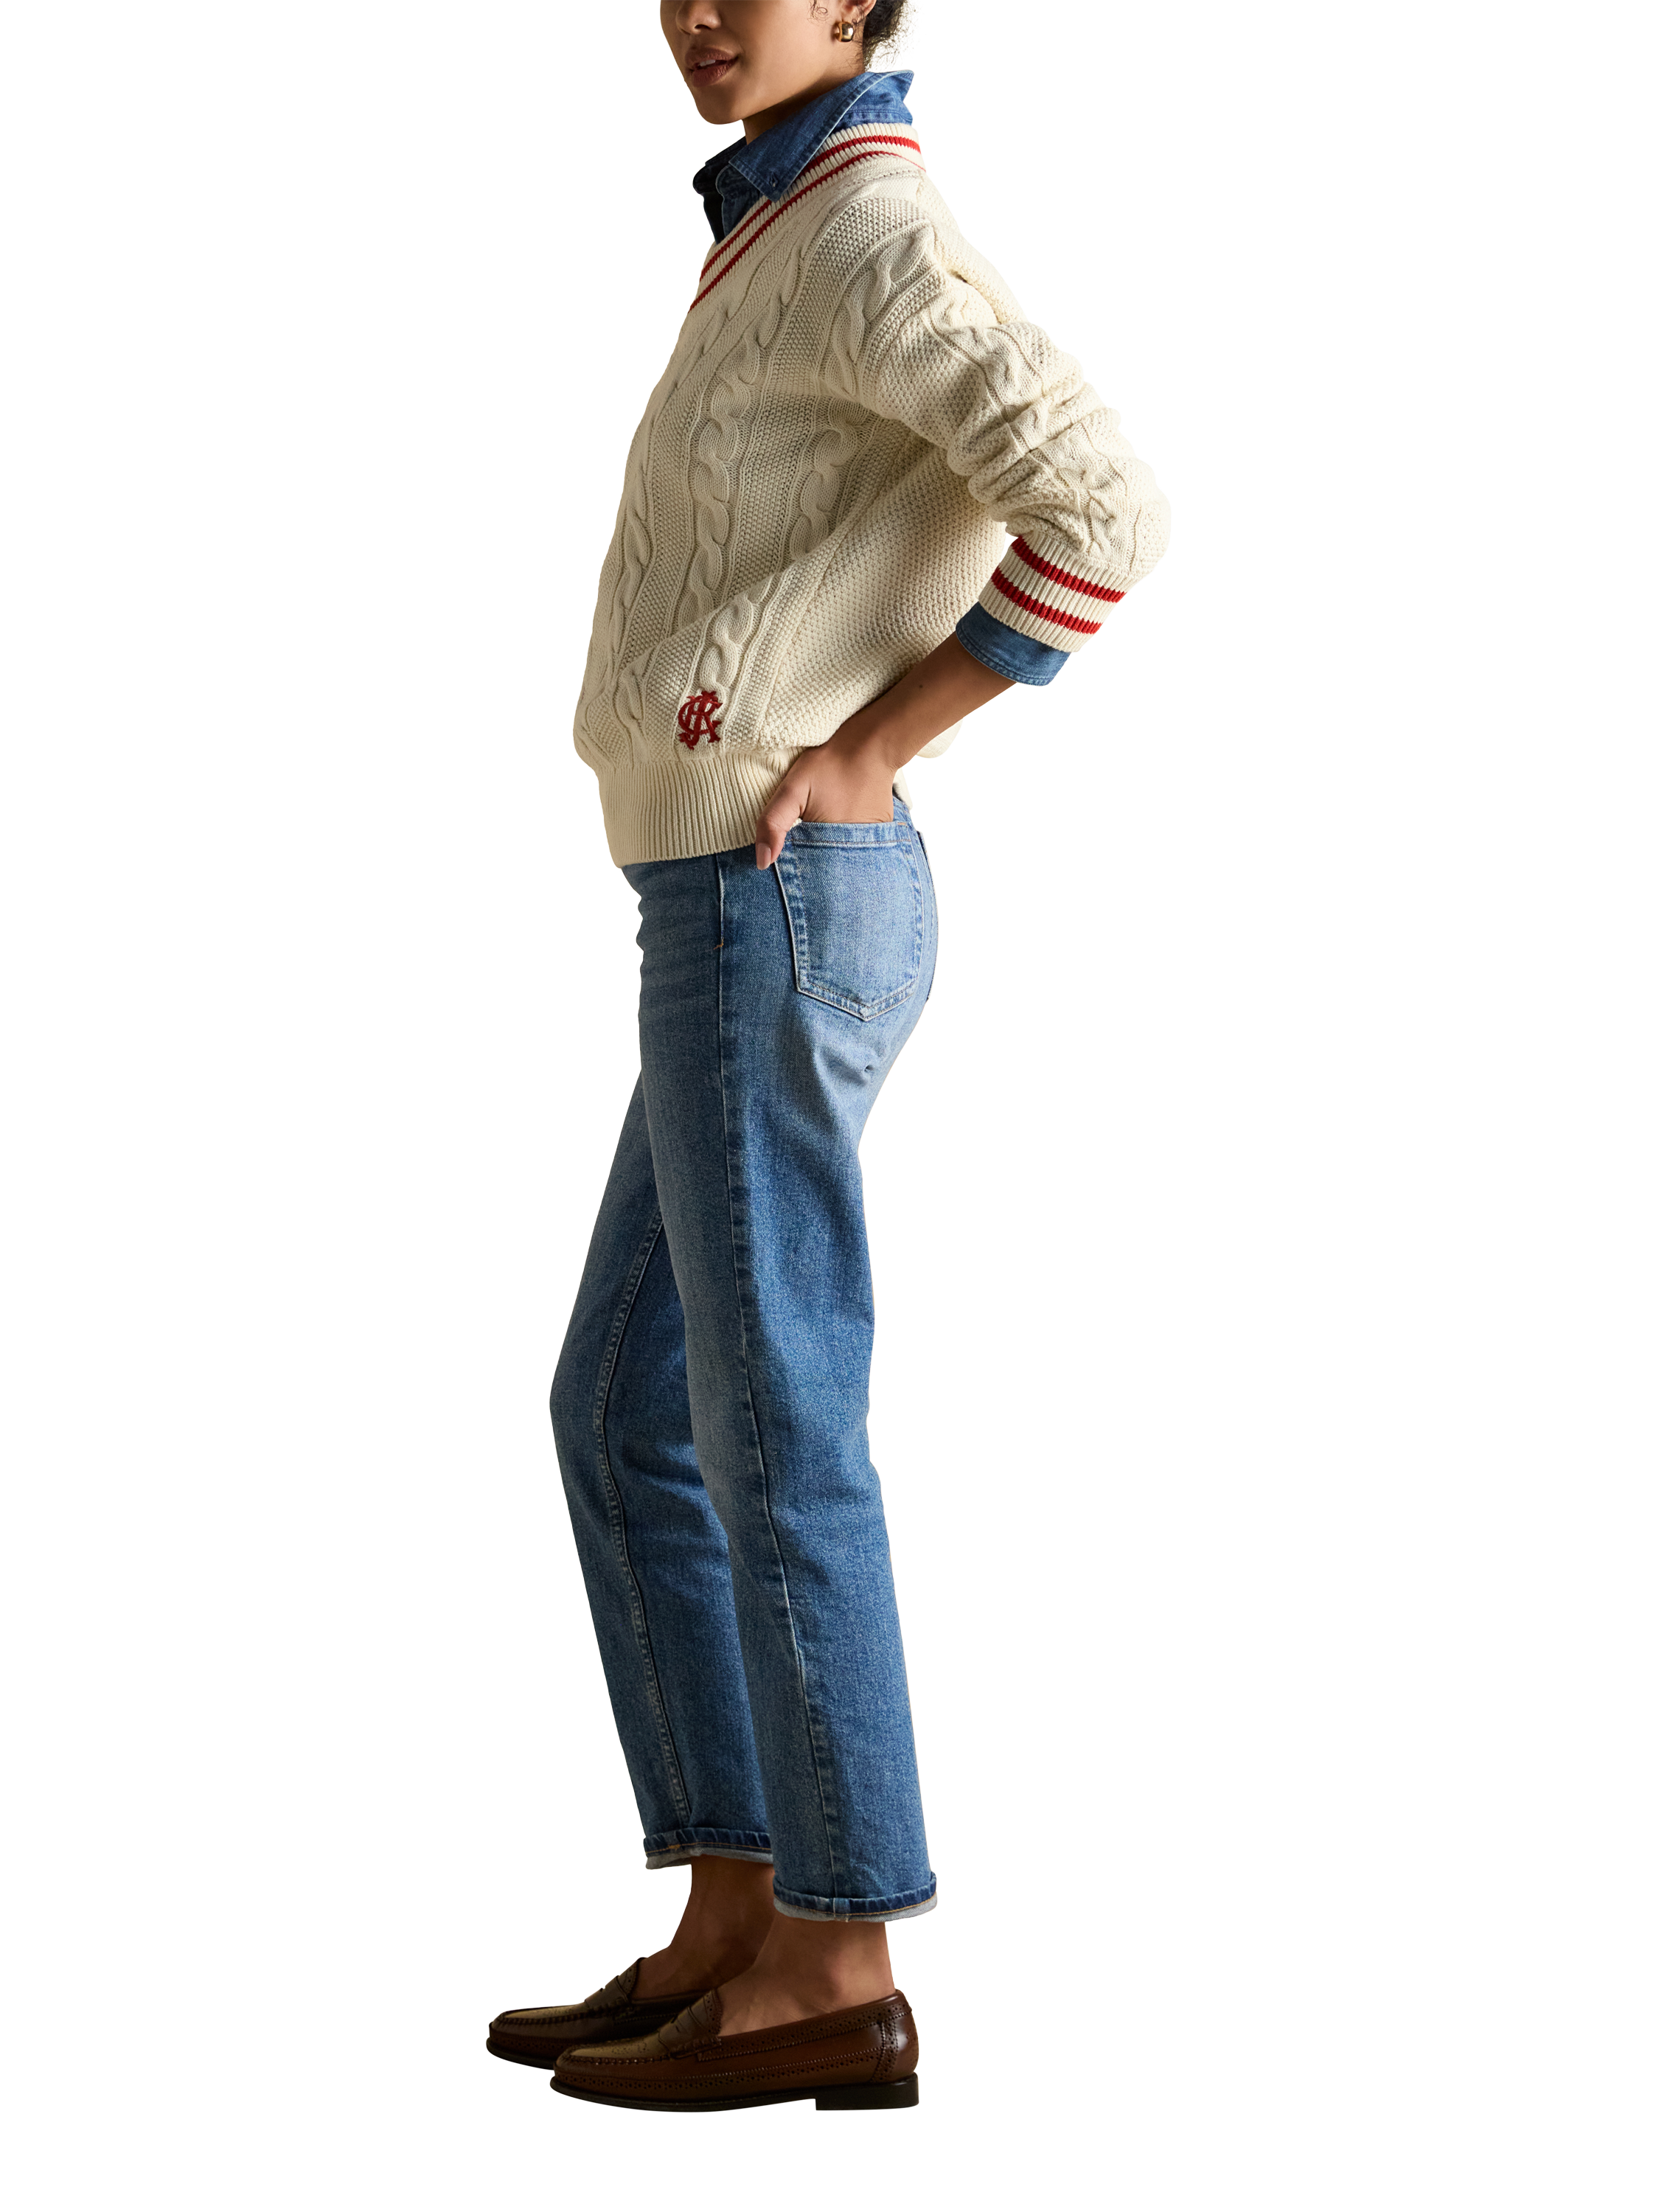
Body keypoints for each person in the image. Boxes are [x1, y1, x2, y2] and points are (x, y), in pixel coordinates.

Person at [487, 0, 1167, 2112]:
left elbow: (1101, 505)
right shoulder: (786, 225)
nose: (701, 14)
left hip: (772, 895)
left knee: (769, 1419)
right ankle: (737, 1907)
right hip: (723, 900)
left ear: (862, 0)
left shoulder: (868, 228)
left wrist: (874, 744)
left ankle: (841, 1963)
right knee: (630, 1409)